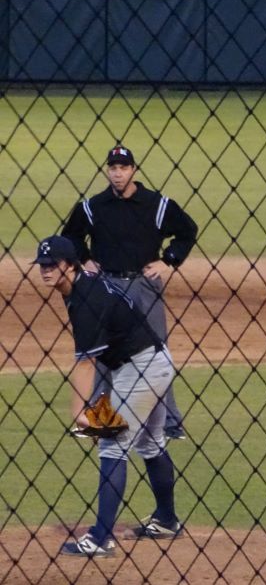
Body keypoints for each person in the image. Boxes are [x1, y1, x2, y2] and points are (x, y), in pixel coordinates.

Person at [32, 235, 183, 557]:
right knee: (149, 442)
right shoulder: (81, 286)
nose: (45, 271)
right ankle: (167, 519)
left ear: (69, 265)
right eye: (42, 265)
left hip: (141, 368)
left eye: (51, 264)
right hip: (151, 363)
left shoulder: (87, 298)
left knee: (112, 444)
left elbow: (85, 363)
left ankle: (100, 538)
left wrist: (78, 412)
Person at [62, 145, 197, 440]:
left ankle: (169, 423)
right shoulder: (94, 206)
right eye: (113, 168)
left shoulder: (156, 204)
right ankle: (96, 418)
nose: (117, 173)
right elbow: (70, 235)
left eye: (123, 168)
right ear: (107, 170)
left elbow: (187, 230)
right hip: (106, 288)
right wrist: (85, 260)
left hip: (143, 286)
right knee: (103, 352)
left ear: (133, 170)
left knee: (156, 352)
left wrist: (168, 260)